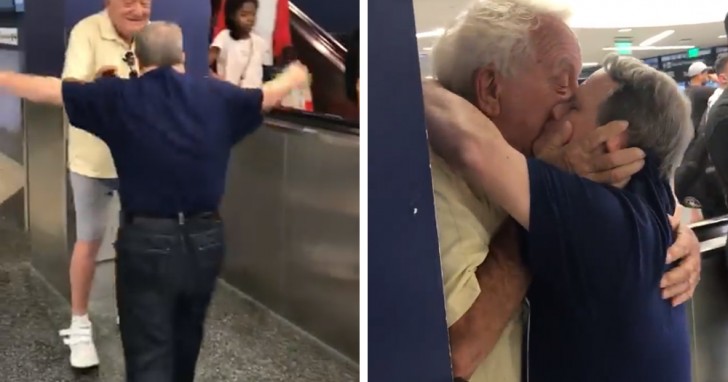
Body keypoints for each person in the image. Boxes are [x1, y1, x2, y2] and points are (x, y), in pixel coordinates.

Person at [0, 22, 308, 381]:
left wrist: (3, 77)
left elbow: (50, 91)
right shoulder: (217, 95)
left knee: (148, 351)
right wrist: (294, 76)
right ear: (183, 56)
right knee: (186, 341)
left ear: (137, 58)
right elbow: (265, 96)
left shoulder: (118, 96)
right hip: (206, 240)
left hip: (145, 242)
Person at [426, 1, 701, 380]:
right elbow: (456, 352)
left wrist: (682, 235)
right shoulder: (432, 187)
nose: (563, 107)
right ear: (490, 88)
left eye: (575, 100)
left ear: (613, 142)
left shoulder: (590, 203)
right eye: (562, 84)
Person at [58, 0, 150, 369]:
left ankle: (127, 312)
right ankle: (79, 324)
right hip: (92, 160)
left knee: (135, 241)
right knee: (89, 239)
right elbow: (71, 90)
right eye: (128, 1)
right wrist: (102, 86)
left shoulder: (152, 37)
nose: (138, 9)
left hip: (139, 160)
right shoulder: (86, 31)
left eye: (145, 0)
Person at [209, 0, 269, 88]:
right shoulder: (224, 37)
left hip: (253, 98)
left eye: (253, 14)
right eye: (244, 15)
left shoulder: (259, 42)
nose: (250, 19)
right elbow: (204, 64)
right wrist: (217, 80)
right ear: (232, 16)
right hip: (229, 95)